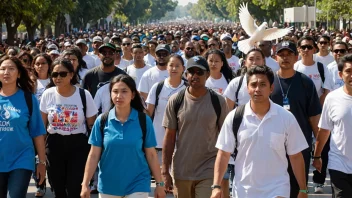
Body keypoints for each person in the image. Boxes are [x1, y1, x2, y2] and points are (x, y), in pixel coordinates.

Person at [212, 65, 309, 198]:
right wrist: (216, 186)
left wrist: (303, 189)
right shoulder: (235, 117)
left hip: (278, 190)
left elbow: (295, 156)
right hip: (243, 191)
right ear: (247, 89)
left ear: (271, 88)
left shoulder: (286, 117)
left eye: (263, 84)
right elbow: (223, 154)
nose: (257, 89)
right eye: (253, 85)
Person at [80, 74, 166, 198]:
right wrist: (85, 184)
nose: (119, 96)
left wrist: (160, 184)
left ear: (133, 95)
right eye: (115, 91)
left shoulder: (143, 120)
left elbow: (151, 155)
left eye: (124, 91)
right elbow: (93, 155)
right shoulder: (102, 121)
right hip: (108, 185)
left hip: (138, 183)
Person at [162, 56, 229, 198]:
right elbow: (169, 138)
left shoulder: (218, 101)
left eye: (200, 72)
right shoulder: (176, 100)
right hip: (182, 171)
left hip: (209, 170)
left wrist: (222, 174)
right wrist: (165, 172)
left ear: (207, 75)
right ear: (186, 75)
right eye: (192, 72)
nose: (195, 75)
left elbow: (225, 139)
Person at [270, 41, 322, 198]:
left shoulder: (306, 82)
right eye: (281, 55)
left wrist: (318, 152)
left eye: (289, 54)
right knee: (274, 189)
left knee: (298, 190)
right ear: (275, 57)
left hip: (299, 146)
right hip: (273, 146)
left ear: (296, 57)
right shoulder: (269, 83)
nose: (285, 58)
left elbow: (314, 117)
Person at [40, 58, 98, 197]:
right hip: (54, 144)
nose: (58, 77)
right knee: (57, 187)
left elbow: (92, 125)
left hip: (78, 145)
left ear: (71, 75)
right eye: (54, 74)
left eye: (62, 74)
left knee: (74, 188)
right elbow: (42, 126)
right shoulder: (48, 94)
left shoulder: (84, 95)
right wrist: (41, 153)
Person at [0, 56, 46, 197]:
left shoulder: (28, 98)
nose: (6, 72)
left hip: (22, 159)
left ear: (19, 74)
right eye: (2, 69)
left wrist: (42, 163)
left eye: (11, 69)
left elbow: (37, 132)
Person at [313, 54, 352, 197]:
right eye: (348, 71)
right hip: (339, 165)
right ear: (341, 75)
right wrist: (317, 156)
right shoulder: (332, 98)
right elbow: (324, 130)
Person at [145, 54, 187, 163]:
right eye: (171, 65)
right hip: (158, 141)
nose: (174, 68)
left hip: (181, 143)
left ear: (183, 68)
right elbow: (149, 113)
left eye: (177, 66)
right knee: (159, 177)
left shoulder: (188, 89)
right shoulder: (157, 87)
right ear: (166, 67)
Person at [294, 36, 328, 105]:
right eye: (303, 47)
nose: (306, 50)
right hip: (300, 107)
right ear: (299, 49)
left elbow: (326, 90)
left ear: (314, 49)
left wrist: (319, 108)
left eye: (309, 47)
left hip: (317, 107)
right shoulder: (294, 67)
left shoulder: (322, 67)